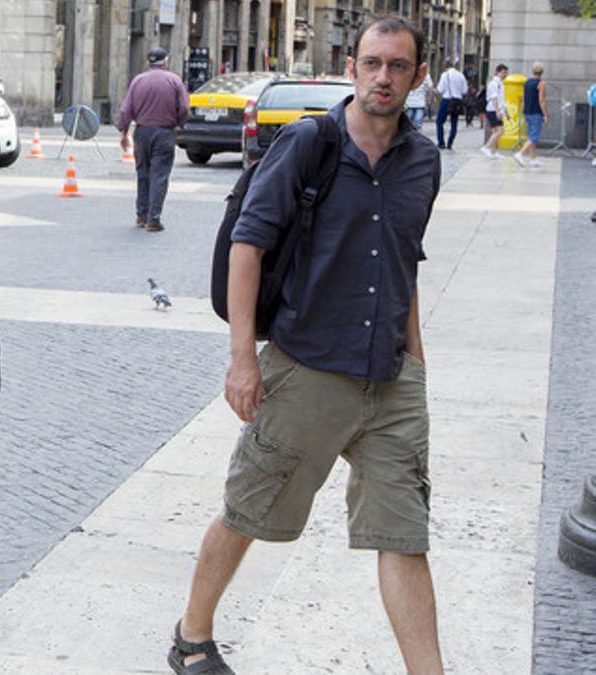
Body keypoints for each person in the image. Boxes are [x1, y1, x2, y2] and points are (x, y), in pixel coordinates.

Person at [169, 15, 443, 675]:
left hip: (391, 379)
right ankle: (191, 636)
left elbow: (402, 265)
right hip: (307, 371)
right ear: (353, 67)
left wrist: (417, 367)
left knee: (404, 535)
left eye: (397, 66)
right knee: (249, 510)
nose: (384, 77)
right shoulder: (308, 144)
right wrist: (242, 359)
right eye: (373, 63)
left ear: (418, 76)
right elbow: (248, 246)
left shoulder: (423, 161)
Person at [117, 47, 188, 233]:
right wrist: (180, 124)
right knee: (159, 175)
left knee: (143, 174)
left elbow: (126, 110)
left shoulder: (137, 81)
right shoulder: (174, 80)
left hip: (141, 133)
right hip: (164, 133)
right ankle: (153, 219)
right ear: (165, 62)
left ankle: (141, 215)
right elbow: (184, 108)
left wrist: (123, 132)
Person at [514, 62, 548, 169]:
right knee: (534, 137)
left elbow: (524, 97)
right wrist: (545, 114)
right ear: (542, 72)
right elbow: (541, 100)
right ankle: (520, 154)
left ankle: (533, 159)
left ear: (532, 71)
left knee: (530, 136)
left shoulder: (527, 82)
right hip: (536, 112)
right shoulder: (541, 83)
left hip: (527, 112)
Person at [434, 58, 466, 149]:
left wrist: (436, 91)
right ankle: (450, 143)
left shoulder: (445, 75)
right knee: (454, 122)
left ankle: (441, 142)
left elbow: (440, 89)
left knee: (439, 122)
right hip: (457, 101)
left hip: (447, 100)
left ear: (446, 66)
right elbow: (465, 90)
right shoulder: (461, 75)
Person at [480, 64, 508, 159]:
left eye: (506, 72)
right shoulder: (494, 84)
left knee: (495, 131)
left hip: (496, 110)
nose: (505, 74)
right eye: (504, 72)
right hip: (493, 110)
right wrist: (497, 111)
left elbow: (502, 99)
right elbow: (494, 98)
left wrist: (506, 112)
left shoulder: (500, 83)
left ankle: (494, 151)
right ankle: (486, 147)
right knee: (500, 131)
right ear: (498, 72)